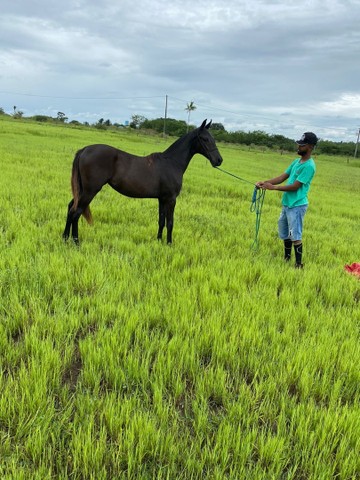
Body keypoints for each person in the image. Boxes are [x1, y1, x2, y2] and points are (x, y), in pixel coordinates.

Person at [256, 132, 318, 269]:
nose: (298, 146)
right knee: (285, 233)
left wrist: (273, 188)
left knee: (295, 234)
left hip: (297, 205)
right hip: (287, 204)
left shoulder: (309, 166)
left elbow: (296, 186)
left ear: (310, 147)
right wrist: (264, 183)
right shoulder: (296, 162)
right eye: (299, 143)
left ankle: (298, 264)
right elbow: (282, 177)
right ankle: (287, 258)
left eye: (302, 145)